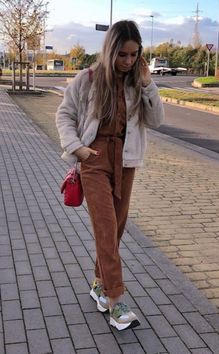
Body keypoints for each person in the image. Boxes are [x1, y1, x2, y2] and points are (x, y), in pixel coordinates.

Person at [56, 20, 164, 331]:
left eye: (134, 55)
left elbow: (156, 120)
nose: (128, 61)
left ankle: (99, 284)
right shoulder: (88, 79)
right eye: (122, 55)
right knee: (105, 227)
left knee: (115, 230)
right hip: (94, 159)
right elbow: (64, 113)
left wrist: (147, 84)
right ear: (110, 50)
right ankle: (116, 301)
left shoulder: (136, 82)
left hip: (127, 161)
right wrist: (77, 148)